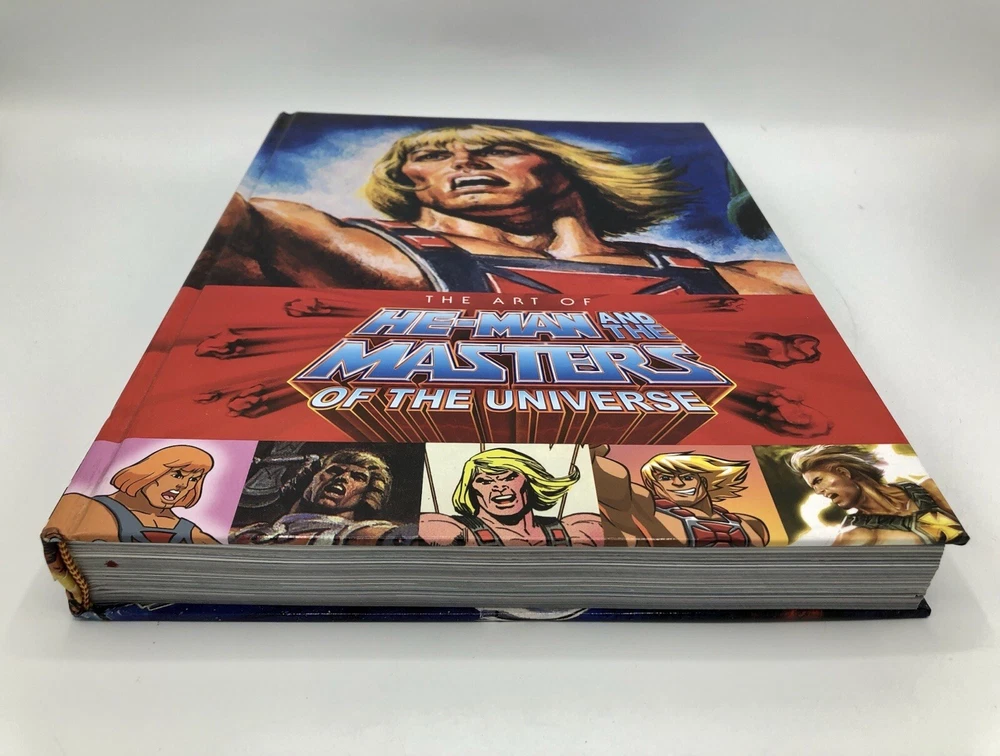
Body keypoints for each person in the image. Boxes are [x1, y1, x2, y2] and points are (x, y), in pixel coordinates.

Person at [191, 124, 810, 296]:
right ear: (411, 182)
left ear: (565, 169)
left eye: (498, 149)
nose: (463, 161)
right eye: (432, 154)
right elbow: (233, 227)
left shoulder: (738, 279)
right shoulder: (322, 241)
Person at [788, 445, 967, 545]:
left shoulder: (929, 489)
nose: (818, 491)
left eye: (818, 481)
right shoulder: (856, 537)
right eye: (813, 487)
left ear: (843, 472)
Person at [420, 447, 602, 546]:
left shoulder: (577, 528)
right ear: (471, 490)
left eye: (509, 477)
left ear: (531, 482)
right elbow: (414, 527)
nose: (499, 487)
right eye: (485, 481)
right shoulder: (454, 528)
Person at [231, 449, 416, 545]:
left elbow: (405, 537)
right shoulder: (254, 530)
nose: (343, 477)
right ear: (311, 477)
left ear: (366, 496)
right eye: (334, 471)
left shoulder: (355, 532)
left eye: (358, 477)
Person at [593, 446, 768, 547]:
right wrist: (592, 453)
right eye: (665, 478)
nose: (678, 483)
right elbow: (616, 484)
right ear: (654, 486)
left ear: (703, 482)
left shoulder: (750, 524)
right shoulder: (648, 513)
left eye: (688, 477)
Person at [48, 445, 219, 544]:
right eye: (177, 475)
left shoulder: (190, 530)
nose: (184, 485)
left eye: (194, 479)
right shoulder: (86, 505)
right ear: (152, 472)